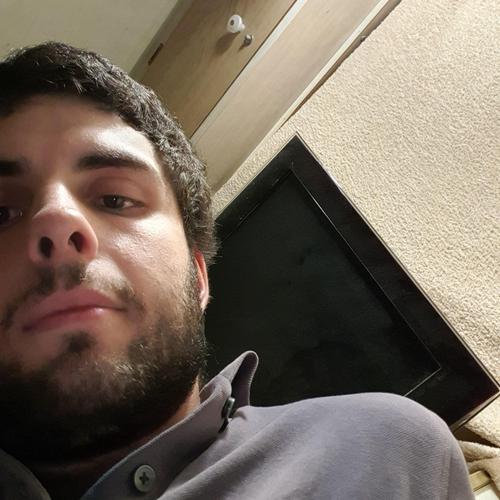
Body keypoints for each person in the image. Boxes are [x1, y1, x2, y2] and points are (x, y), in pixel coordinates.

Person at [0, 42, 474, 500]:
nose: (56, 221)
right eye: (1, 214)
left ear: (198, 278)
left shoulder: (386, 450)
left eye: (114, 199)